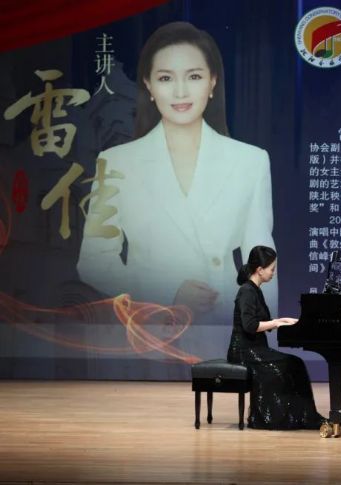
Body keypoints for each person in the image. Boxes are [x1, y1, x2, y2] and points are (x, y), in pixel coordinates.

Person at [76, 21, 276, 326]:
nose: (180, 91)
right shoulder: (116, 163)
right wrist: (168, 292)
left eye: (194, 76)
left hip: (224, 321)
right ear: (148, 85)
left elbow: (262, 262)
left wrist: (264, 331)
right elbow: (93, 261)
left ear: (212, 82)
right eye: (165, 78)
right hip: (148, 326)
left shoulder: (250, 160)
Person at [227, 245, 325, 429]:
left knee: (295, 364)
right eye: (272, 269)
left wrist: (283, 320)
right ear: (259, 269)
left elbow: (262, 320)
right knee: (291, 364)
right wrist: (276, 323)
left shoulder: (255, 290)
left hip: (255, 348)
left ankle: (301, 417)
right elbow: (250, 326)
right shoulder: (247, 291)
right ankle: (279, 417)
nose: (273, 273)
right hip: (244, 351)